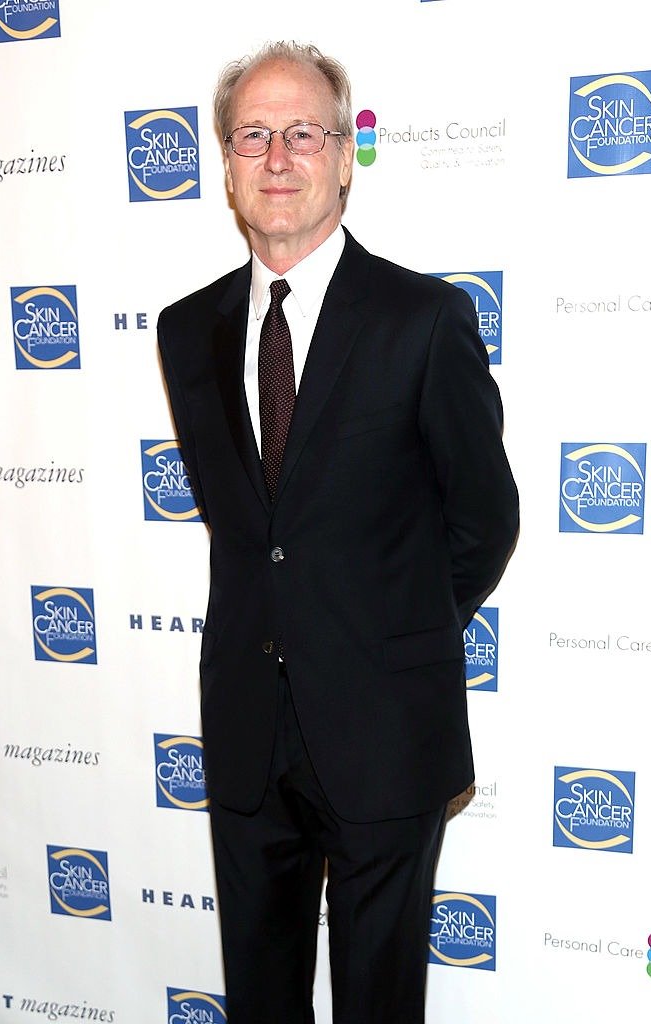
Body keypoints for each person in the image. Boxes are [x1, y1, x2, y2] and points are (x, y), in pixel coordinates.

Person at [157, 39, 519, 1024]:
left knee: (376, 1003)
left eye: (303, 132)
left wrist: (384, 635)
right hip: (244, 732)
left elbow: (486, 519)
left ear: (346, 154)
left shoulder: (422, 318)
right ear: (227, 164)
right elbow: (250, 530)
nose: (279, 157)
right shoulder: (183, 333)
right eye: (254, 136)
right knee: (262, 1001)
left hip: (386, 734)